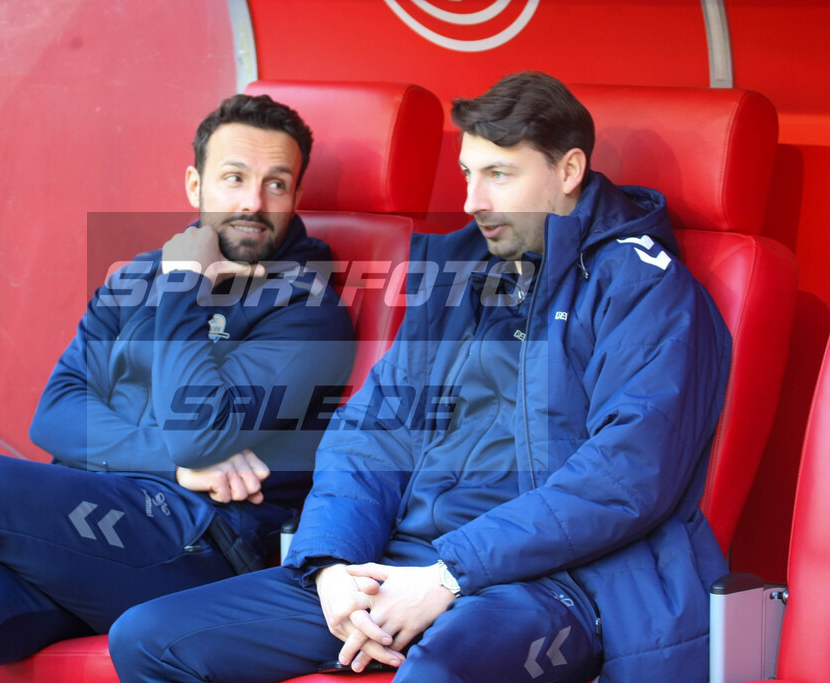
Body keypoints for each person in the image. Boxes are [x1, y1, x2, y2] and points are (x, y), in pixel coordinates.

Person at [107, 71, 732, 682]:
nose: (472, 201)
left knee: (440, 669)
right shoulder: (463, 271)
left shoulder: (647, 289)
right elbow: (372, 431)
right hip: (399, 564)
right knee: (153, 640)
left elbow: (625, 477)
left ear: (567, 172)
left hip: (551, 584)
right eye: (468, 173)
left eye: (499, 175)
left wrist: (448, 577)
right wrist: (332, 565)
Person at [0, 93, 354, 682]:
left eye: (276, 184)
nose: (253, 201)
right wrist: (174, 464)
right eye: (234, 178)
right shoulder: (142, 275)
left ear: (296, 196)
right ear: (195, 185)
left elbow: (199, 433)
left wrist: (184, 290)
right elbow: (56, 411)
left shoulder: (308, 309)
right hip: (91, 527)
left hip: (199, 547)